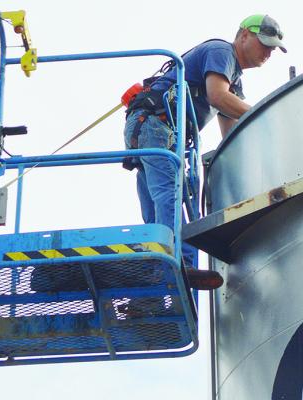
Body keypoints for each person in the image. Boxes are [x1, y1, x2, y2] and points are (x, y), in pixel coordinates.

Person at [123, 14, 287, 290]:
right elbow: (218, 97)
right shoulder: (222, 52)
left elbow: (232, 131)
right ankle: (177, 261)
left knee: (156, 199)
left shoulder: (234, 78)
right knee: (169, 195)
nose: (268, 53)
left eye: (272, 48)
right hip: (156, 124)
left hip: (153, 127)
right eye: (265, 44)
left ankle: (153, 266)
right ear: (244, 35)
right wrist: (266, 116)